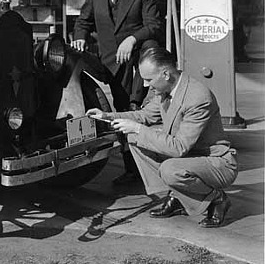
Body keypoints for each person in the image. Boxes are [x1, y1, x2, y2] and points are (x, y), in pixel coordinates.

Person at [87, 47, 238, 228]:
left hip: (216, 162)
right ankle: (178, 196)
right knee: (134, 139)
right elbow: (144, 116)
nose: (145, 85)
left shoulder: (197, 97)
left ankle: (217, 198)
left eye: (149, 79)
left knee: (169, 168)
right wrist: (106, 116)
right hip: (189, 157)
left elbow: (179, 147)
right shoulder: (167, 89)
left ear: (165, 74)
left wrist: (138, 129)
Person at [71, 0, 161, 185]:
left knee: (139, 109)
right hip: (112, 65)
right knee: (122, 113)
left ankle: (149, 170)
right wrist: (80, 37)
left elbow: (153, 26)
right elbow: (83, 22)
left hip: (138, 64)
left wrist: (132, 39)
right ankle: (132, 171)